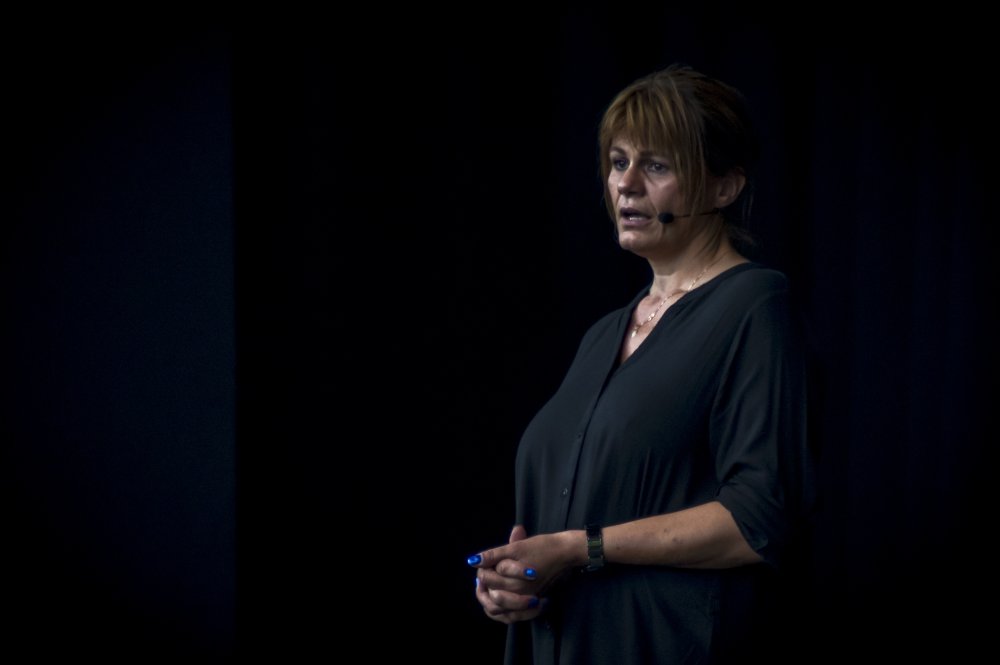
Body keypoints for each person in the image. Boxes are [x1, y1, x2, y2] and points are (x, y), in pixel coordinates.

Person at [466, 64, 816, 664]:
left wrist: (577, 549)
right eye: (618, 162)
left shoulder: (754, 307)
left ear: (724, 188)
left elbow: (760, 518)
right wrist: (514, 581)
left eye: (656, 166)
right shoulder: (604, 333)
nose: (625, 185)